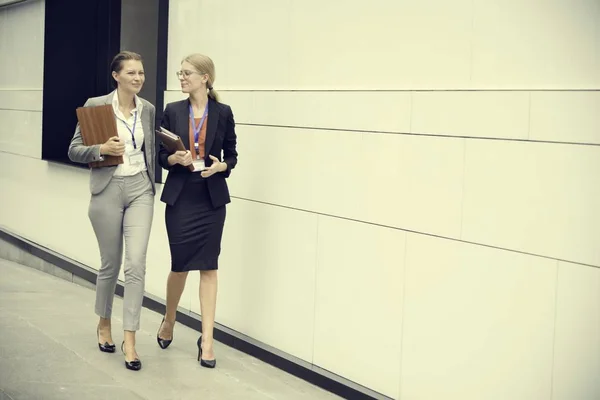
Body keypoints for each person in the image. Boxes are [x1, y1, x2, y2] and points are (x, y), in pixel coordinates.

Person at [68, 51, 156, 371]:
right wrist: (102, 149)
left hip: (140, 189)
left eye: (141, 73)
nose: (138, 78)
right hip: (107, 190)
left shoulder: (147, 110)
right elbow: (74, 149)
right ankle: (104, 322)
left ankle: (130, 340)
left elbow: (151, 152)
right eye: (131, 73)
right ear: (116, 76)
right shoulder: (96, 106)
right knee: (111, 264)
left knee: (135, 265)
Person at [156, 53, 238, 368]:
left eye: (187, 73)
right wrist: (172, 160)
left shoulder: (224, 112)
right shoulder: (173, 111)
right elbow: (161, 154)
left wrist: (222, 166)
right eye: (180, 73)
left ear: (204, 77)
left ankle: (207, 340)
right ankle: (169, 318)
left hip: (210, 198)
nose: (181, 77)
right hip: (181, 196)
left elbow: (231, 154)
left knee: (209, 267)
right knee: (180, 265)